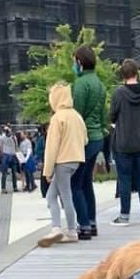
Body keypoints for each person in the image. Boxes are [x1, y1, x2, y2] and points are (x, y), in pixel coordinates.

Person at [37, 84, 86, 248]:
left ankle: (64, 229)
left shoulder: (58, 118)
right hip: (76, 160)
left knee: (62, 195)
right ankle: (63, 228)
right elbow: (85, 139)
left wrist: (47, 171)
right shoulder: (76, 116)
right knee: (60, 195)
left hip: (62, 161)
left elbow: (52, 147)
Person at [109, 59, 140, 226]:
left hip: (123, 142)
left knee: (125, 179)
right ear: (137, 73)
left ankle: (124, 216)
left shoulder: (118, 93)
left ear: (123, 75)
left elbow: (112, 115)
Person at [71, 45, 106, 240]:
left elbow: (77, 114)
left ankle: (83, 225)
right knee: (86, 184)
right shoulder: (99, 84)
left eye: (74, 60)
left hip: (84, 139)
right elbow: (102, 114)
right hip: (97, 137)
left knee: (76, 183)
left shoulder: (81, 83)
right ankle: (91, 223)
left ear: (79, 62)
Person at [0, 126, 19, 193]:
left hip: (12, 155)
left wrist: (15, 153)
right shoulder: (2, 138)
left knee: (14, 172)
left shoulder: (13, 137)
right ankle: (3, 188)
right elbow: (1, 146)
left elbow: (16, 146)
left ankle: (15, 187)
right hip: (6, 155)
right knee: (4, 173)